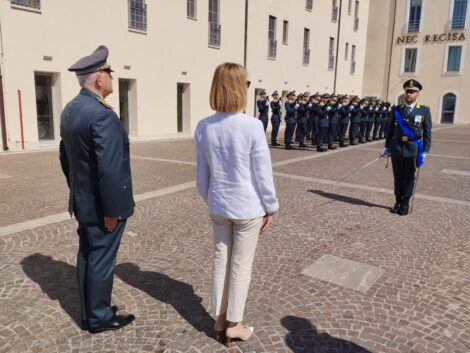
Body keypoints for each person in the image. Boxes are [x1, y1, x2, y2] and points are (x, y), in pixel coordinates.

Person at [195, 63, 279, 343]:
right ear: (240, 88)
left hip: (219, 204)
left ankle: (219, 319)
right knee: (241, 265)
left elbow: (201, 177)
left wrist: (214, 199)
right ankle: (234, 323)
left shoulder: (204, 126)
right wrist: (271, 206)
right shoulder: (253, 125)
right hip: (247, 207)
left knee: (221, 261)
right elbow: (262, 173)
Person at [59, 45, 135, 333]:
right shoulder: (102, 114)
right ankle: (100, 317)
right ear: (100, 79)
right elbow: (111, 169)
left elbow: (65, 158)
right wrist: (113, 209)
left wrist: (79, 191)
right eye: (109, 73)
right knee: (101, 259)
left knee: (87, 256)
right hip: (103, 207)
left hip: (83, 202)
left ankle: (90, 313)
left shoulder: (71, 109)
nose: (112, 79)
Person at [383, 79, 432, 216]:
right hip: (397, 148)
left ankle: (405, 203)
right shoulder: (396, 110)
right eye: (407, 91)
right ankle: (397, 201)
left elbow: (427, 133)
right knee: (398, 176)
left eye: (412, 92)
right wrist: (387, 147)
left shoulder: (424, 111)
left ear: (417, 94)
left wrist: (425, 151)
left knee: (409, 177)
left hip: (413, 149)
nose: (409, 94)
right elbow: (390, 131)